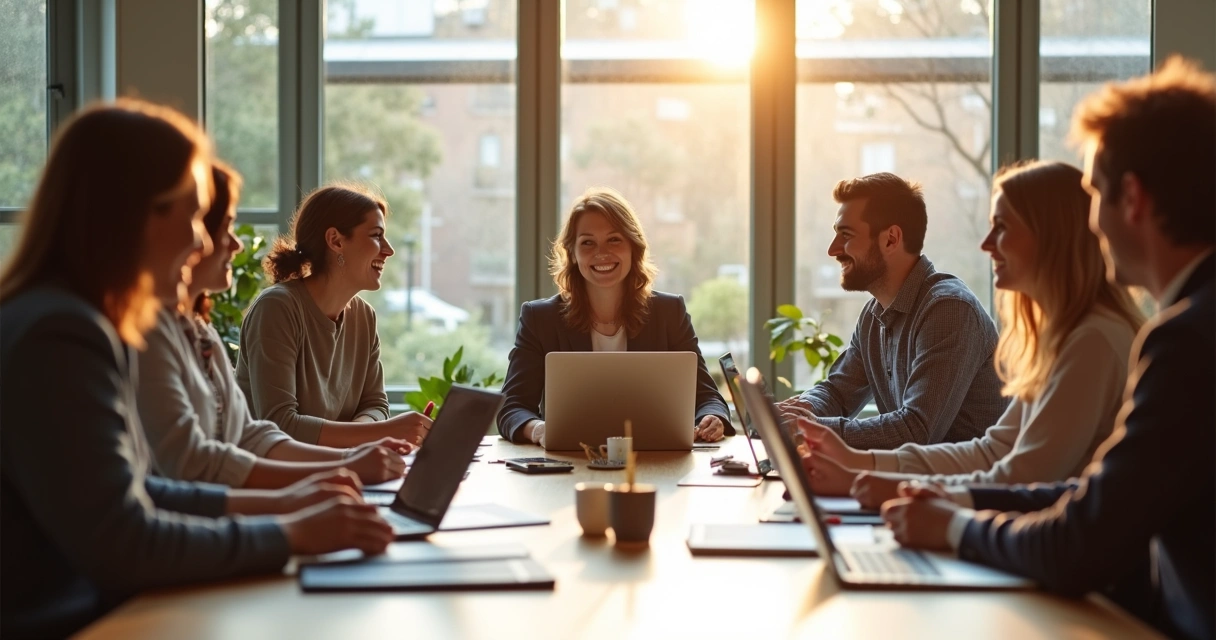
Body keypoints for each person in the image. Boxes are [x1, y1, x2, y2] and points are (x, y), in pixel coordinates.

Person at [0, 100, 393, 639]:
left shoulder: (70, 319)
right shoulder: (59, 335)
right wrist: (289, 531)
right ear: (129, 213)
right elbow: (126, 540)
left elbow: (140, 491)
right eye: (190, 215)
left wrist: (289, 504)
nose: (203, 241)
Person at [881, 58, 1214, 640]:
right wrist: (958, 501)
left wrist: (953, 526)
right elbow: (1102, 498)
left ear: (1131, 199)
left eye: (1095, 196)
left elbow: (1079, 543)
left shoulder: (1188, 342)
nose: (1093, 223)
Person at [796, 161, 1142, 504]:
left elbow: (1020, 476)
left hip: (1052, 546)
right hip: (1021, 532)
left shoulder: (1091, 340)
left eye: (1002, 227)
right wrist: (854, 461)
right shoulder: (1063, 338)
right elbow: (995, 451)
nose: (986, 244)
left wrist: (879, 481)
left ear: (1051, 237)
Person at [137, 161, 413, 489]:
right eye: (220, 227)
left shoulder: (200, 331)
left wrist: (353, 460)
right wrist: (357, 455)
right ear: (335, 242)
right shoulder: (274, 308)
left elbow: (252, 436)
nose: (237, 244)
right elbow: (268, 429)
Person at [777, 174, 1007, 451]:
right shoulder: (874, 315)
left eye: (846, 235)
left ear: (891, 239)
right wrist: (801, 408)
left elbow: (917, 430)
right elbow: (838, 391)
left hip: (962, 490)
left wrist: (808, 429)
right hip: (916, 484)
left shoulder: (949, 310)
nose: (833, 249)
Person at [497, 187, 731, 446]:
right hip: (571, 462)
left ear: (634, 247)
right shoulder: (540, 318)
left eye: (614, 239)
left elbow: (707, 397)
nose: (602, 253)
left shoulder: (669, 312)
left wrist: (712, 417)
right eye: (587, 242)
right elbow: (511, 408)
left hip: (657, 460)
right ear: (572, 254)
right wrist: (539, 430)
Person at [235, 183, 432, 448]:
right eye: (376, 236)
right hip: (276, 481)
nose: (389, 250)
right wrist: (373, 434)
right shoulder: (276, 308)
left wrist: (358, 436)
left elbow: (375, 405)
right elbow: (280, 424)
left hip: (341, 471)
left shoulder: (365, 317)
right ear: (336, 241)